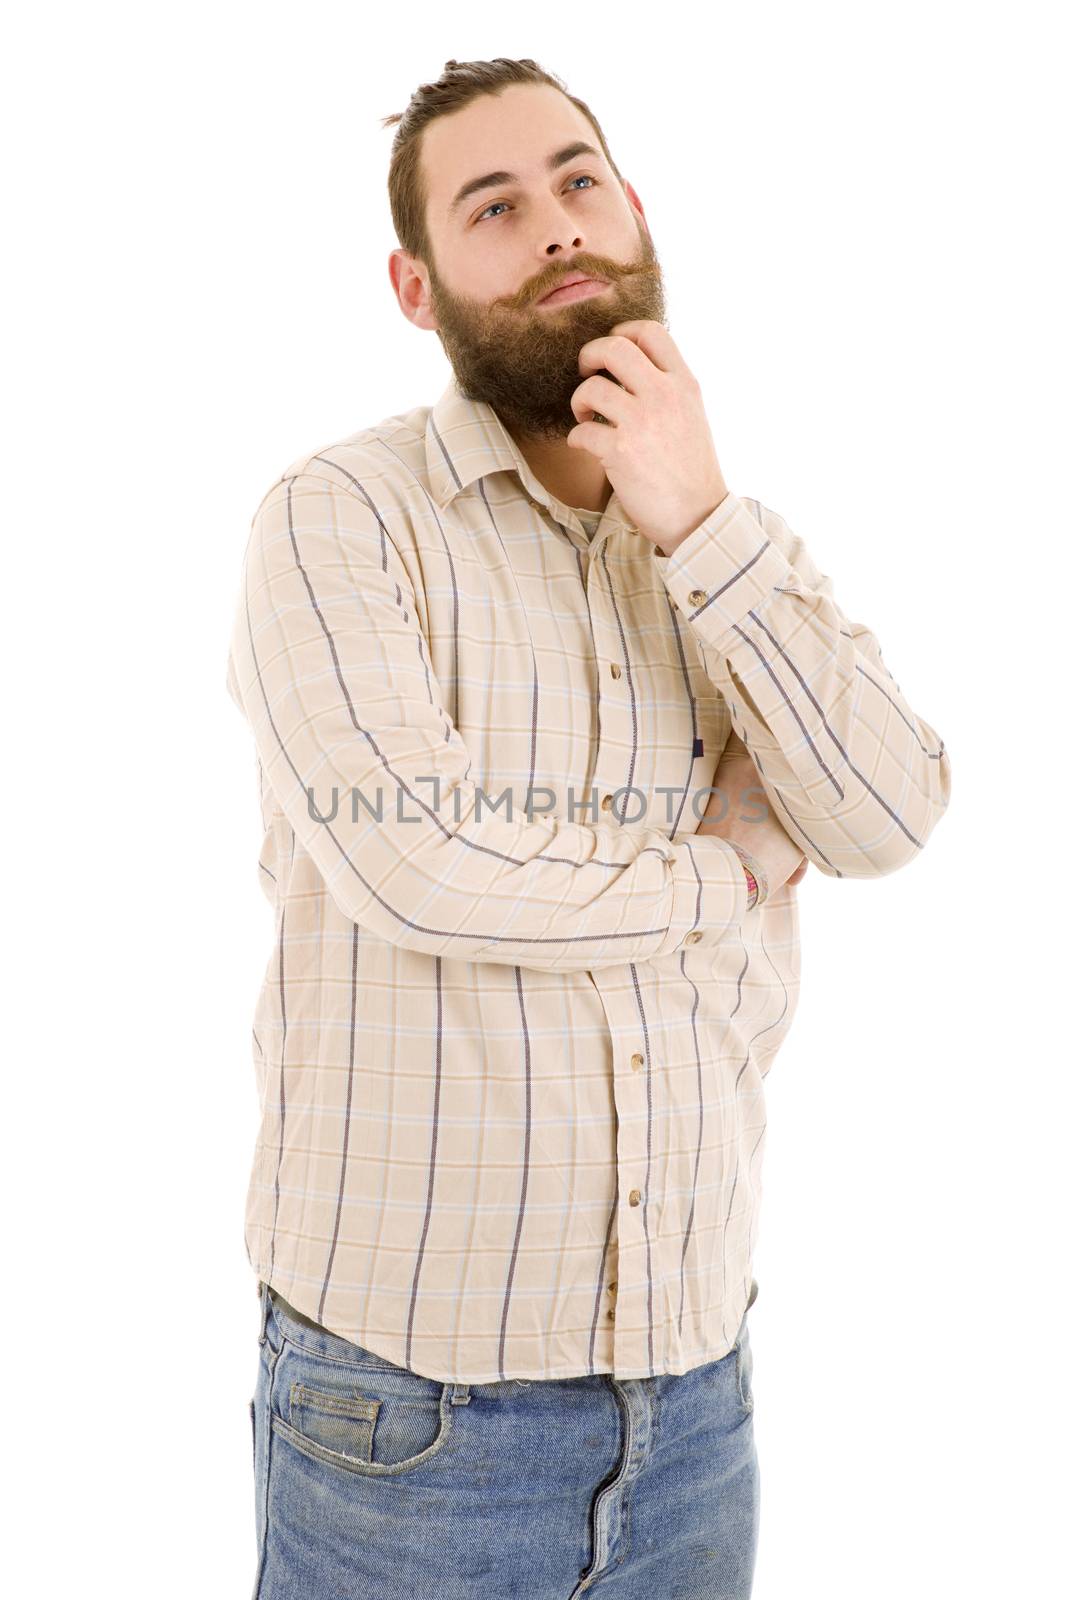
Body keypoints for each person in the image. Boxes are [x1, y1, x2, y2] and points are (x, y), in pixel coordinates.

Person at [226, 56, 951, 1600]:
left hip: (698, 1400)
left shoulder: (722, 544)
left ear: (636, 213)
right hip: (409, 1424)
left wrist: (703, 525)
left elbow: (890, 814)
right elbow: (420, 861)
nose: (556, 226)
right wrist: (732, 869)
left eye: (578, 182)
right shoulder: (339, 518)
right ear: (418, 289)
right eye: (494, 207)